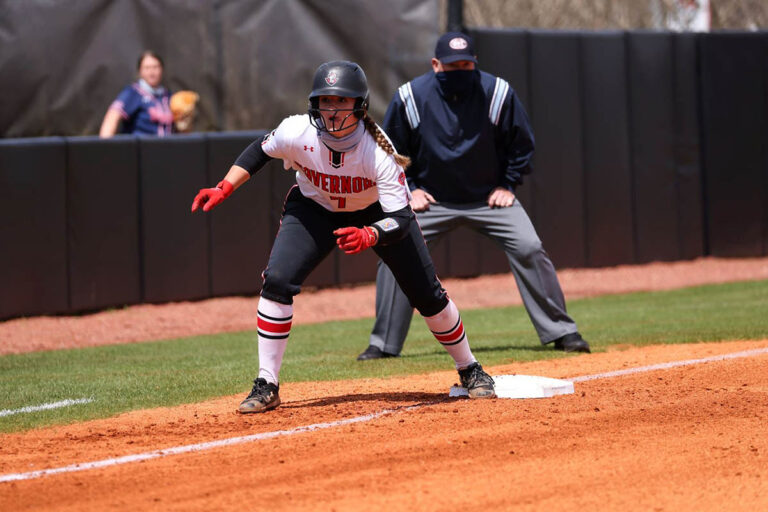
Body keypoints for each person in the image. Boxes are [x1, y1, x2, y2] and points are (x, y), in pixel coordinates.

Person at [191, 60, 496, 413]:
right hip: (314, 208)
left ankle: (470, 368)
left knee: (427, 296)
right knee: (277, 281)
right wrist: (225, 186)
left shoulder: (378, 149)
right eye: (325, 101)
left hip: (377, 214)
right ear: (314, 104)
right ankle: (266, 383)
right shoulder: (296, 131)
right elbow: (260, 150)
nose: (332, 111)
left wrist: (369, 234)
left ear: (360, 106)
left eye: (341, 101)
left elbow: (399, 216)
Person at [357, 32, 590, 361]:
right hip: (431, 200)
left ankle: (562, 331)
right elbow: (389, 151)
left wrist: (507, 185)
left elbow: (521, 145)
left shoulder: (496, 91)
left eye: (467, 64)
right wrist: (410, 188)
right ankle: (383, 344)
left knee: (529, 246)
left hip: (488, 198)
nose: (460, 71)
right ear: (436, 65)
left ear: (475, 63)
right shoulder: (410, 96)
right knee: (395, 251)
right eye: (452, 66)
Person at [99, 50, 173, 137]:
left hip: (166, 148)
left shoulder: (168, 96)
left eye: (155, 67)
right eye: (147, 68)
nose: (152, 72)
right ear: (140, 71)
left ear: (162, 69)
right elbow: (112, 117)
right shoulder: (133, 93)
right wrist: (105, 147)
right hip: (140, 148)